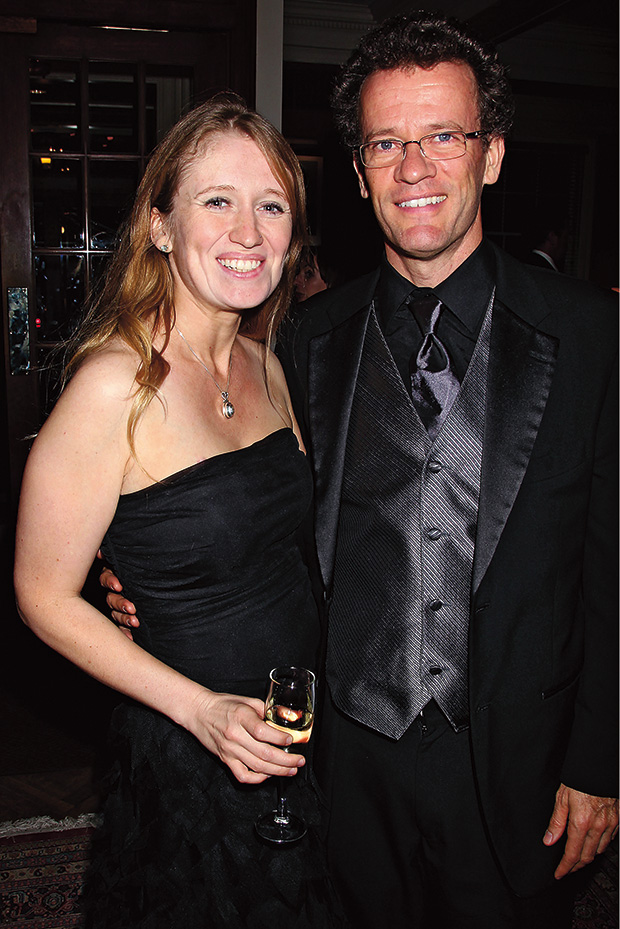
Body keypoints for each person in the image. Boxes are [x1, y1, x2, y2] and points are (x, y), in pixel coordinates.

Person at [102, 12, 619, 928]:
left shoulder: (591, 335)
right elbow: (252, 502)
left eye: (444, 137)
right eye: (386, 143)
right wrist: (144, 572)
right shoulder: (303, 339)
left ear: (492, 155)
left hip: (518, 763)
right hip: (344, 761)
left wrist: (601, 759)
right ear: (357, 169)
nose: (413, 168)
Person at [13, 93, 345, 929]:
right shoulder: (112, 385)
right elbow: (41, 594)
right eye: (217, 201)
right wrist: (202, 711)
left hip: (295, 735)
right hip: (192, 751)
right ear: (160, 226)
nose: (248, 231)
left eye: (272, 206)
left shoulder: (269, 364)